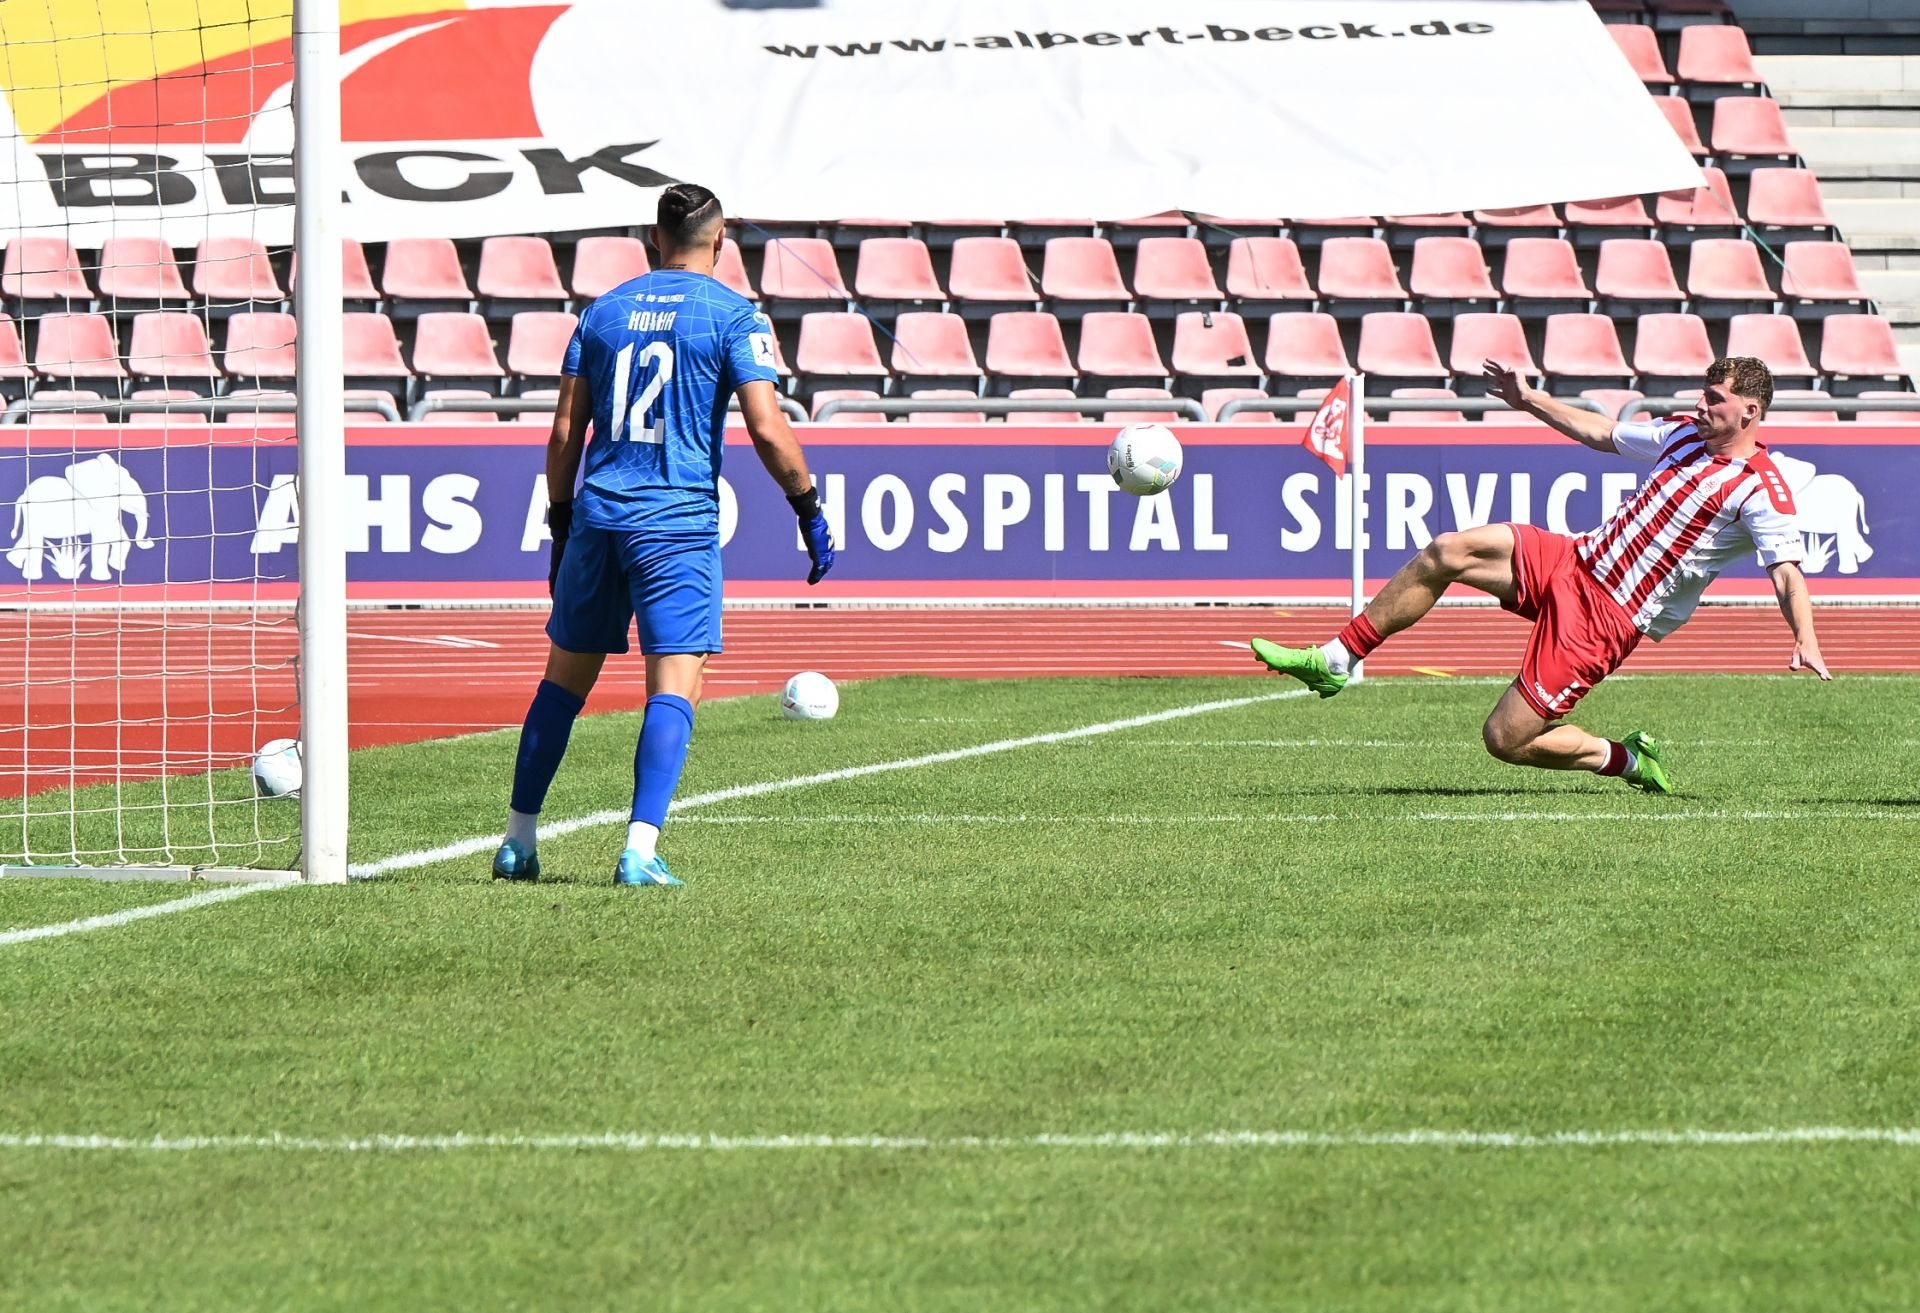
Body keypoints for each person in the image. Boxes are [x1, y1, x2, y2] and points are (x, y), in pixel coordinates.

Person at [1251, 356, 1830, 794]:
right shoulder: (1681, 433)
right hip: (1573, 559)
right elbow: (1601, 432)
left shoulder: (1761, 488)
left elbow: (1786, 571)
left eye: (1714, 399)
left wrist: (1804, 635)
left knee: (1504, 739)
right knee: (1447, 550)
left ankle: (1626, 759)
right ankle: (1336, 659)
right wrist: (1529, 400)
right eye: (1703, 394)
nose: (1701, 405)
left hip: (1607, 616)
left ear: (1749, 412)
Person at [492, 182, 835, 886]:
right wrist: (807, 506)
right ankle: (639, 851)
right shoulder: (734, 316)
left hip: (599, 515)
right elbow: (768, 428)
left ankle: (517, 842)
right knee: (676, 683)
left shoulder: (603, 312)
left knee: (562, 683)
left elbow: (564, 431)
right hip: (674, 524)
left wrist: (562, 525)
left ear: (654, 238)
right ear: (721, 240)